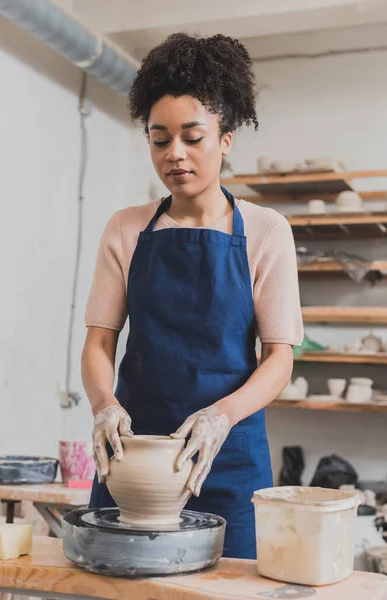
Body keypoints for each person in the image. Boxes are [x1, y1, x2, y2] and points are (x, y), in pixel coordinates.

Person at [82, 32, 303, 559]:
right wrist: (103, 406)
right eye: (160, 139)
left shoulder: (267, 230)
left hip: (225, 456)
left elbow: (279, 358)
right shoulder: (125, 229)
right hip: (133, 457)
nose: (174, 154)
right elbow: (98, 343)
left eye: (192, 137)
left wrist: (219, 416)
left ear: (225, 139)